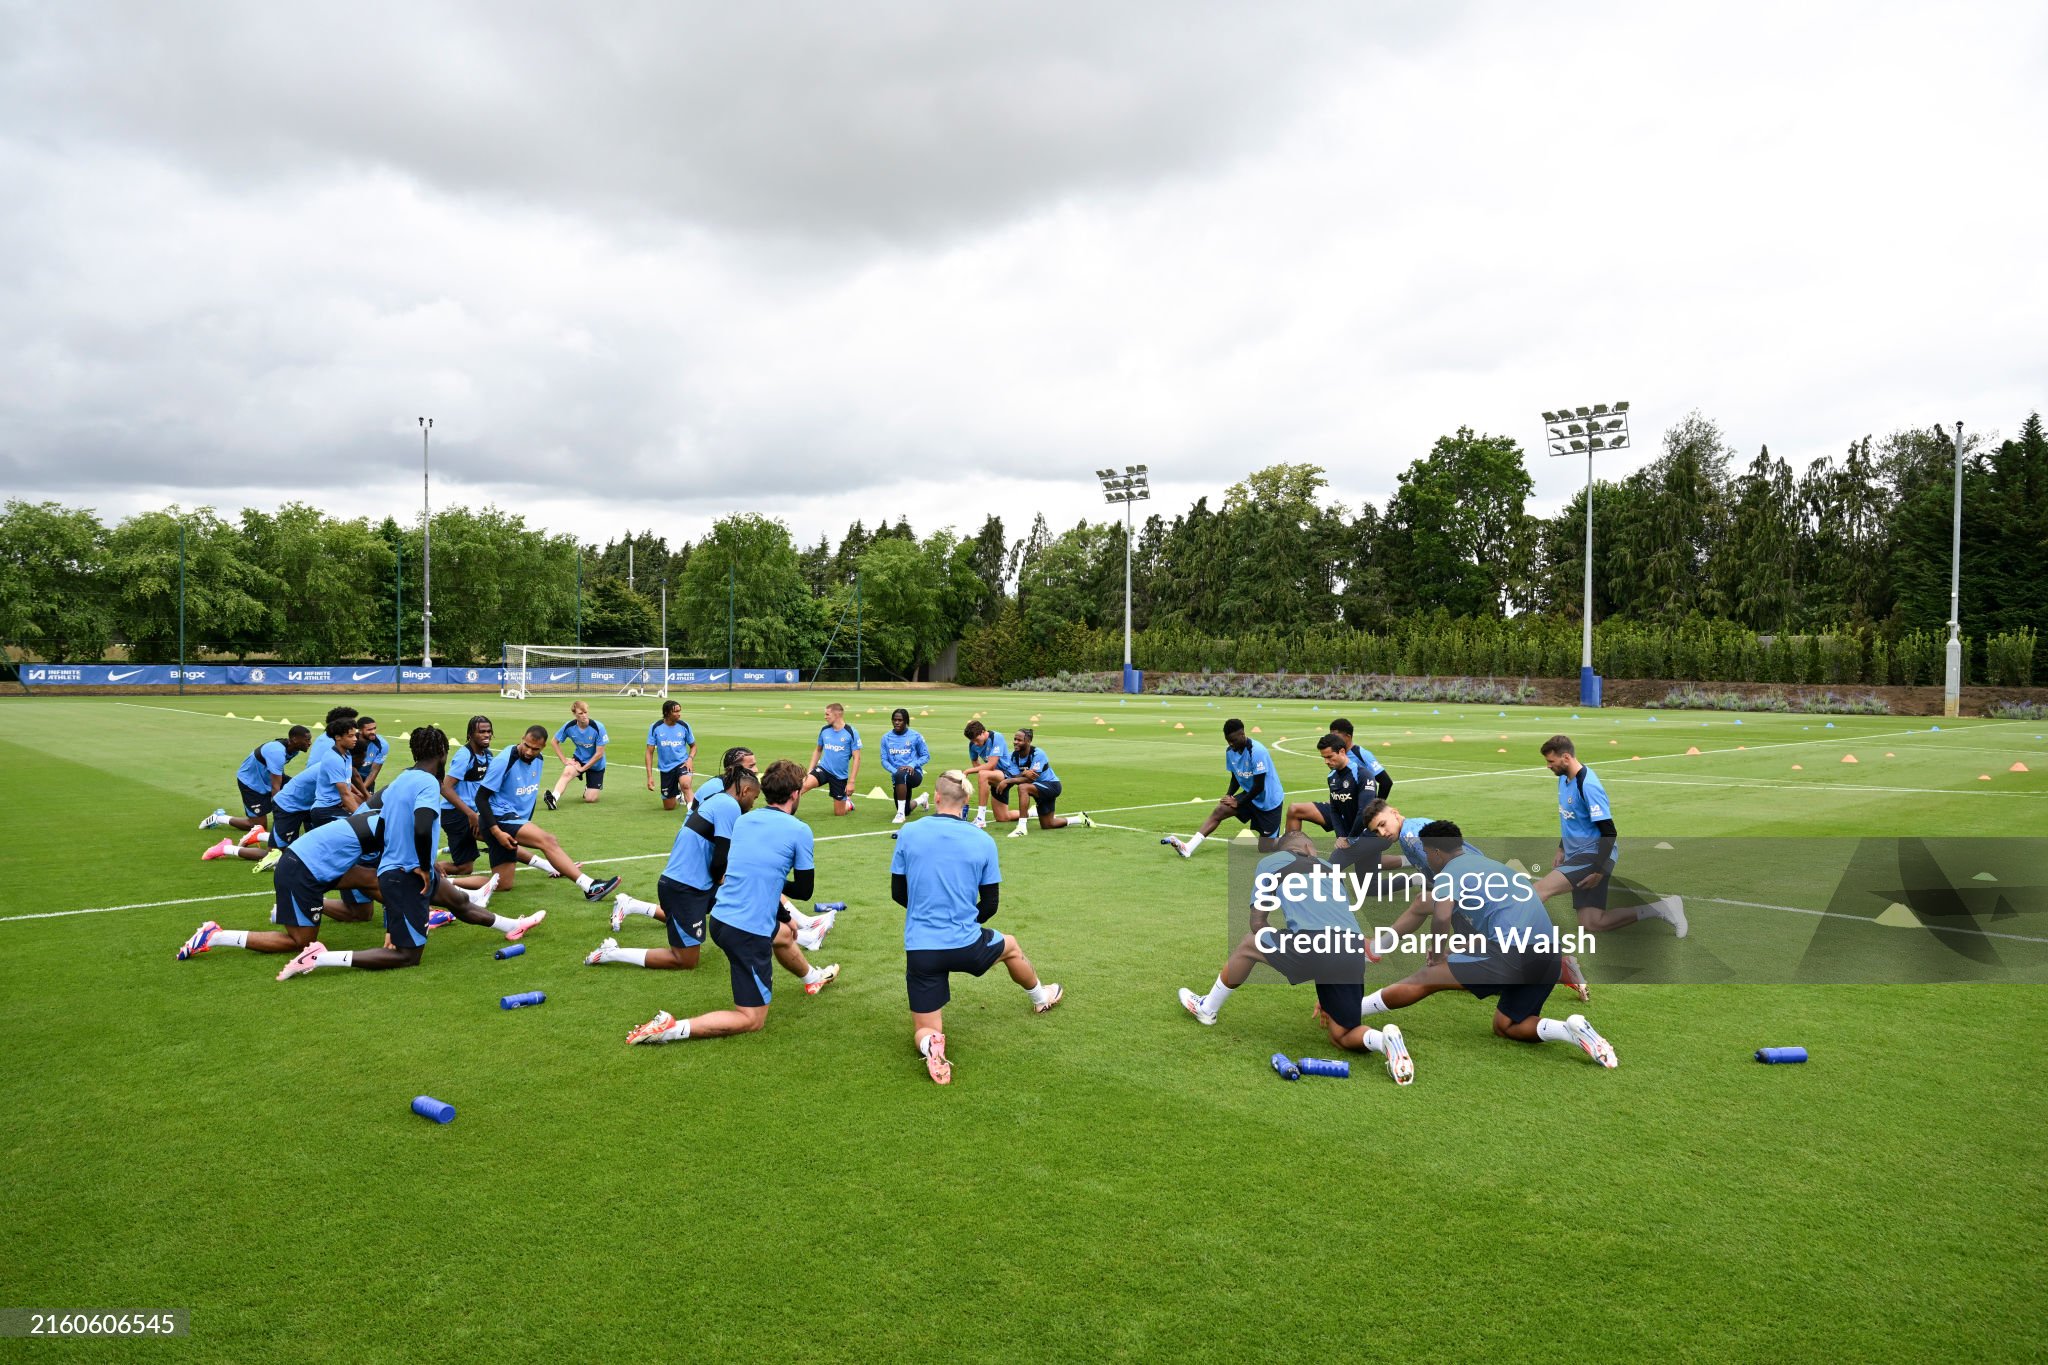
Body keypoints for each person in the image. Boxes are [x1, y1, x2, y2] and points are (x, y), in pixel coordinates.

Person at [276, 726, 545, 979]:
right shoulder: (428, 783)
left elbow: (380, 823)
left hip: (403, 868)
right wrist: (425, 866)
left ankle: (513, 926)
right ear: (442, 753)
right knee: (407, 956)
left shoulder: (401, 779)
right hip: (408, 873)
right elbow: (423, 825)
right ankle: (320, 958)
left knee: (459, 902)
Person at [1352, 821, 1617, 1068]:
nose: (1426, 859)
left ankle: (1353, 1009)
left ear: (1436, 852)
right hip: (1549, 955)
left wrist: (1438, 954)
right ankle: (1570, 1030)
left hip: (1514, 952)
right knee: (1507, 1025)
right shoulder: (1487, 864)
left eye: (1426, 852)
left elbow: (1442, 916)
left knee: (1427, 977)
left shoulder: (1449, 873)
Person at [623, 759, 839, 1045]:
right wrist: (773, 879)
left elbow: (744, 871)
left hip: (722, 919)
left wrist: (784, 916)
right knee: (752, 1019)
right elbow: (804, 889)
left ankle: (812, 978)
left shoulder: (744, 820)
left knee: (784, 935)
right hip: (747, 930)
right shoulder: (800, 830)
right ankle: (670, 1029)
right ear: (795, 794)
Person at [1176, 833, 1413, 1085]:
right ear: (1309, 847)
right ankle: (1383, 1041)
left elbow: (1257, 923)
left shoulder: (1270, 862)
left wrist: (1287, 950)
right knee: (1342, 1035)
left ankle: (1207, 1009)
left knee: (1249, 943)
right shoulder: (1330, 868)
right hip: (1352, 948)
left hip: (1315, 945)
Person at [178, 800, 525, 962]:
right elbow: (399, 874)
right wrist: (397, 925)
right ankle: (217, 935)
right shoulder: (386, 829)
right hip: (302, 871)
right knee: (299, 942)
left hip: (323, 864)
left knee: (371, 892)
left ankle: (444, 917)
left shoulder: (382, 818)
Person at [892, 770, 1061, 1085]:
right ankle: (1041, 997)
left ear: (937, 797)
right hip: (968, 945)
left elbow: (898, 893)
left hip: (922, 949)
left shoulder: (909, 832)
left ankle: (931, 1044)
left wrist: (929, 918)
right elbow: (991, 904)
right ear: (967, 800)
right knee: (1011, 946)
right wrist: (962, 923)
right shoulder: (983, 839)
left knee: (925, 1028)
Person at [1533, 735, 1687, 938]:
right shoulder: (1563, 779)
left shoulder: (1588, 785)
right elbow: (1572, 818)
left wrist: (1599, 870)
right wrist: (1562, 848)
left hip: (1594, 855)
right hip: (1577, 853)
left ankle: (1507, 938)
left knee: (1539, 891)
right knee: (1593, 922)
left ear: (1566, 758)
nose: (1548, 766)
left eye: (1551, 761)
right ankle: (1663, 908)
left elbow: (1609, 831)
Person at [477, 724, 621, 899]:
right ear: (522, 738)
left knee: (502, 884)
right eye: (527, 745)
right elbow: (481, 798)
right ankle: (590, 886)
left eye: (535, 749)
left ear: (543, 747)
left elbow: (527, 797)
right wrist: (496, 831)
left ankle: (449, 885)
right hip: (498, 818)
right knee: (548, 840)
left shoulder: (538, 760)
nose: (529, 751)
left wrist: (524, 822)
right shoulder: (504, 760)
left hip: (512, 819)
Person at [207, 717, 360, 866]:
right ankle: (226, 848)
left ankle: (260, 835)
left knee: (307, 846)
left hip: (308, 805)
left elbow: (346, 788)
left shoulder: (346, 756)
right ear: (338, 737)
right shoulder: (332, 759)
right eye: (351, 736)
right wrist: (361, 816)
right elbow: (276, 785)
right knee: (278, 855)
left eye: (356, 735)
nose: (355, 739)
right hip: (289, 807)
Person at [1164, 719, 1285, 856]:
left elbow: (1259, 786)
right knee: (1220, 810)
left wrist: (1239, 802)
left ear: (1242, 734)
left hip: (1269, 801)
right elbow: (1236, 777)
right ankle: (1188, 848)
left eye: (1233, 740)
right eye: (1228, 741)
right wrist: (1229, 795)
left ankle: (1284, 838)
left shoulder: (1257, 751)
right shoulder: (1230, 752)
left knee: (1265, 849)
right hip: (1250, 796)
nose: (1231, 744)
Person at [199, 724, 312, 842]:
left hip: (268, 777)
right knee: (258, 826)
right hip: (251, 783)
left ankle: (308, 822)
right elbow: (275, 787)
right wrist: (279, 814)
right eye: (307, 740)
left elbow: (276, 770)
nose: (309, 743)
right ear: (294, 739)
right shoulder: (277, 752)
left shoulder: (294, 750)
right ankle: (219, 818)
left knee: (301, 790)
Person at [993, 728, 1088, 839]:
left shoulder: (1038, 754)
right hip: (1037, 788)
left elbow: (1030, 779)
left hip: (1051, 785)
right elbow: (1015, 776)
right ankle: (1080, 818)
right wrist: (1024, 773)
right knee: (1048, 824)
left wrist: (1007, 781)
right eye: (1015, 739)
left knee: (1023, 787)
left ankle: (1021, 827)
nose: (1015, 742)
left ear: (1028, 741)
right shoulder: (1014, 756)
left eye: (1019, 740)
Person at [437, 716, 496, 888]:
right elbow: (445, 788)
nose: (486, 735)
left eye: (489, 731)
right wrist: (471, 814)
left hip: (471, 813)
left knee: (464, 868)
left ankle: (429, 869)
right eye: (481, 732)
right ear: (470, 734)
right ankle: (548, 865)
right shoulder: (465, 755)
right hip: (456, 815)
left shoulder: (488, 755)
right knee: (499, 837)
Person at [1286, 732, 1373, 845]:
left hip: (1365, 835)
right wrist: (1340, 837)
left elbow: (1364, 811)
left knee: (1369, 857)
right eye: (1324, 757)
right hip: (1347, 834)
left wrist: (1350, 839)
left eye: (1329, 757)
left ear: (1342, 751)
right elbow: (1334, 810)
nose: (1326, 762)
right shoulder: (1332, 777)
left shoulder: (1362, 775)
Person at [801, 702, 862, 816]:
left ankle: (848, 804)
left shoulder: (851, 732)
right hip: (823, 769)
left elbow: (857, 758)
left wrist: (851, 782)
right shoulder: (824, 730)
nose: (825, 717)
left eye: (827, 714)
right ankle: (785, 812)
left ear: (837, 714)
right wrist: (810, 769)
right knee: (802, 786)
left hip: (839, 776)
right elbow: (818, 750)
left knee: (839, 813)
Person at [546, 699, 608, 808]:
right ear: (574, 714)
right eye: (580, 713)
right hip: (579, 759)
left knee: (590, 799)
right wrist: (564, 760)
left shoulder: (598, 727)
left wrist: (583, 769)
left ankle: (588, 787)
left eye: (585, 712)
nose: (584, 715)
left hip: (596, 764)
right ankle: (553, 798)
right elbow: (554, 742)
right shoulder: (569, 726)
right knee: (567, 773)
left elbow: (599, 754)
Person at [879, 707, 932, 825]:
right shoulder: (886, 738)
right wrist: (894, 771)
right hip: (898, 777)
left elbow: (926, 756)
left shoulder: (915, 736)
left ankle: (900, 815)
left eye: (900, 720)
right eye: (894, 720)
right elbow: (884, 760)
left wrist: (912, 764)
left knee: (901, 774)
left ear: (906, 721)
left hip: (914, 774)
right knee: (907, 809)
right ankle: (922, 799)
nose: (897, 722)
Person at [644, 700, 696, 811]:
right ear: (667, 713)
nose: (679, 714)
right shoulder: (655, 727)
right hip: (666, 768)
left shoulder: (684, 726)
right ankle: (679, 795)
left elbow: (693, 746)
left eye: (679, 711)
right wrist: (650, 777)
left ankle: (693, 812)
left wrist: (690, 759)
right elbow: (649, 752)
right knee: (669, 806)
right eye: (675, 712)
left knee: (686, 785)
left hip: (683, 763)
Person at [1329, 718, 1393, 802]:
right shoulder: (1336, 755)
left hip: (1362, 807)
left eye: (1336, 737)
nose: (1332, 741)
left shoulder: (1362, 754)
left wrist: (1376, 807)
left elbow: (1386, 782)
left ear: (1348, 737)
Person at [962, 720, 1007, 827]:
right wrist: (984, 778)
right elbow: (974, 761)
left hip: (1007, 774)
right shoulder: (972, 744)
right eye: (972, 741)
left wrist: (967, 771)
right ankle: (1032, 812)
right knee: (1003, 817)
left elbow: (991, 765)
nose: (975, 743)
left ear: (983, 732)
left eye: (977, 740)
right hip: (994, 776)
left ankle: (980, 819)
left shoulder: (996, 737)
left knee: (983, 774)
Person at [350, 716, 389, 795]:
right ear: (360, 730)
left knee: (367, 801)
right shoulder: (351, 742)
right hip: (349, 777)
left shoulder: (382, 745)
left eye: (374, 728)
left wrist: (362, 791)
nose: (373, 732)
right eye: (369, 730)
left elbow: (374, 771)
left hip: (366, 780)